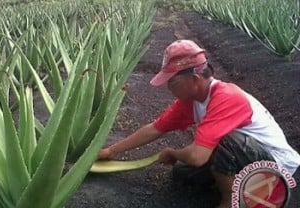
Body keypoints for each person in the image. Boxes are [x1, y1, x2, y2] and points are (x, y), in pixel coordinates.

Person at [97, 40, 300, 207]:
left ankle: (234, 201)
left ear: (194, 79)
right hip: (244, 157)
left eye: (172, 82)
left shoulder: (227, 97)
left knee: (224, 142)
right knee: (183, 174)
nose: (169, 88)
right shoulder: (191, 100)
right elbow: (155, 128)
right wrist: (112, 151)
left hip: (274, 164)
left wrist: (173, 153)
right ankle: (243, 185)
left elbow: (196, 156)